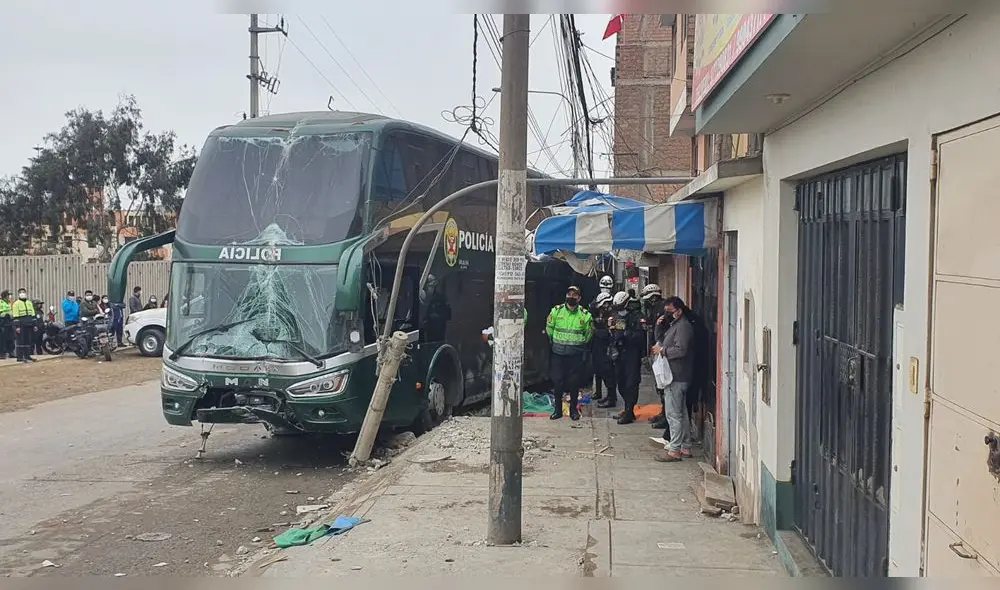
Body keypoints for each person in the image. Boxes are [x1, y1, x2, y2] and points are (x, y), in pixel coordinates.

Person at [653, 296, 695, 461]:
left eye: (670, 311)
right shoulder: (674, 325)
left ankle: (674, 449)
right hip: (676, 375)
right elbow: (661, 339)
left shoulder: (683, 327)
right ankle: (685, 446)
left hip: (676, 375)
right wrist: (658, 326)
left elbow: (681, 350)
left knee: (674, 414)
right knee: (681, 413)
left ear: (679, 311)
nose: (667, 314)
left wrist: (662, 351)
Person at [545, 285, 592, 421]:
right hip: (558, 353)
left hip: (575, 355)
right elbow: (549, 328)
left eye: (575, 295)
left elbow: (588, 334)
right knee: (558, 382)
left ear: (579, 298)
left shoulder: (585, 315)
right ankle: (557, 410)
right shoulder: (556, 311)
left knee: (574, 383)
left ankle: (573, 411)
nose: (571, 297)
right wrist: (556, 342)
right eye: (569, 294)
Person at [609, 290, 645, 424]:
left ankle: (629, 412)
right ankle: (627, 409)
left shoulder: (637, 316)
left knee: (631, 384)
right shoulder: (617, 315)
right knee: (621, 384)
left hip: (632, 354)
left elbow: (641, 336)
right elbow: (615, 332)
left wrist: (626, 333)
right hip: (619, 353)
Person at [640, 284, 668, 429]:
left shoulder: (663, 309)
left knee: (663, 385)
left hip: (662, 351)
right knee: (659, 385)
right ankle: (663, 413)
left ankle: (665, 416)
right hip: (654, 349)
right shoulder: (653, 309)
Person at [590, 292, 618, 408]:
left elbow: (609, 333)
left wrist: (595, 331)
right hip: (599, 347)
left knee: (609, 374)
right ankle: (607, 395)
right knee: (599, 370)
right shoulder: (600, 312)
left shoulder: (613, 316)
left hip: (608, 348)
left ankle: (612, 398)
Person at [11, 288, 37, 362]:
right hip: (21, 325)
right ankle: (20, 357)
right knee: (20, 341)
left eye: (23, 292)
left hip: (29, 324)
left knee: (27, 341)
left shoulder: (29, 303)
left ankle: (27, 356)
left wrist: (34, 325)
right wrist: (17, 327)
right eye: (21, 292)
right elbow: (15, 316)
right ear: (18, 294)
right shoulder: (16, 303)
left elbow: (33, 314)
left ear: (26, 293)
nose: (22, 293)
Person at [0, 290, 13, 359]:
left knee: (10, 339)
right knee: (2, 340)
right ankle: (2, 354)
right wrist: (7, 314)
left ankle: (10, 352)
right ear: (5, 297)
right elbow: (1, 313)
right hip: (3, 323)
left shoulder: (8, 303)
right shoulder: (1, 303)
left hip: (9, 322)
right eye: (8, 295)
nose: (9, 297)